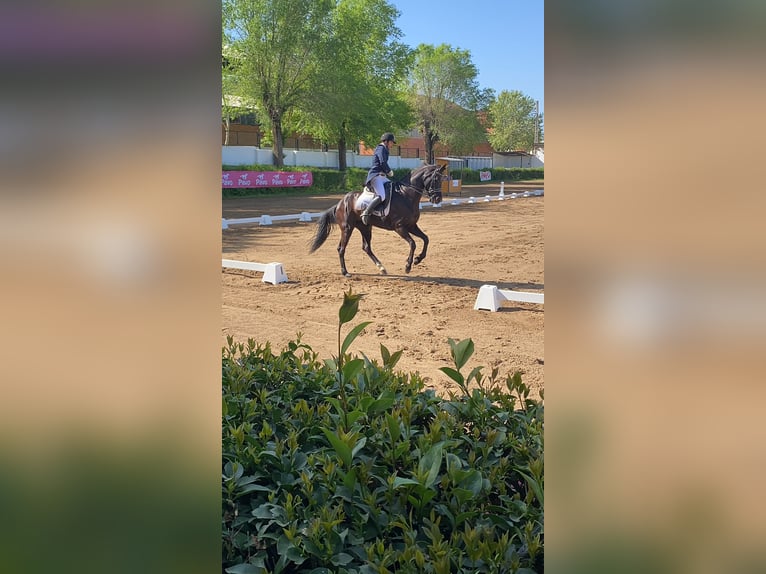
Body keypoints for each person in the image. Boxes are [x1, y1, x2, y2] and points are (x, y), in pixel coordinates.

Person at [361, 132, 396, 224]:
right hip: (376, 176)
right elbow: (382, 162)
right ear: (387, 141)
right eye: (392, 142)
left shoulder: (384, 149)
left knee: (394, 188)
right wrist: (389, 171)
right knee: (382, 195)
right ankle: (366, 212)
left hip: (382, 177)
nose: (392, 145)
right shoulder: (380, 148)